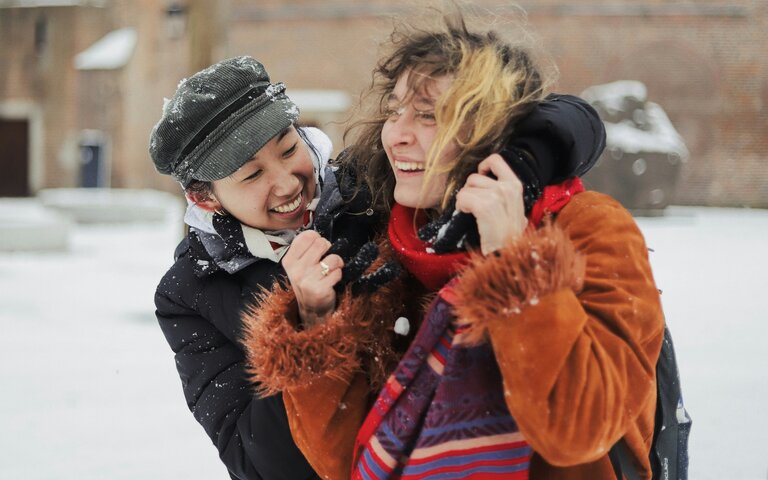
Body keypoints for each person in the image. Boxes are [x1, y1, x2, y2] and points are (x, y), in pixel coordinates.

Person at [242, 14, 664, 480]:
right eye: (395, 109)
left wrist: (513, 264)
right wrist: (317, 318)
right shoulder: (391, 251)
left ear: (492, 131)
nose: (396, 134)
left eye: (428, 115)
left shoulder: (587, 230)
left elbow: (581, 430)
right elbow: (343, 463)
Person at [149, 50, 604, 478]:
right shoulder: (192, 294)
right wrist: (308, 322)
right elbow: (263, 465)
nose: (288, 182)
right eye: (251, 175)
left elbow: (573, 119)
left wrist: (519, 162)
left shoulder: (371, 186)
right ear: (204, 197)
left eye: (289, 150)